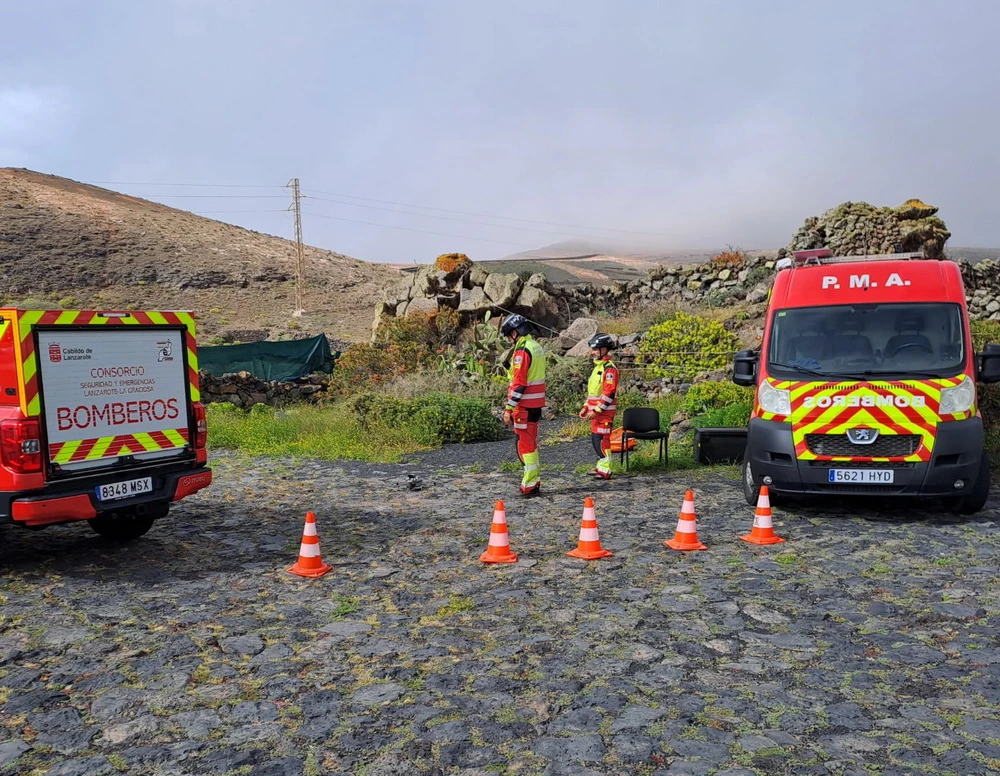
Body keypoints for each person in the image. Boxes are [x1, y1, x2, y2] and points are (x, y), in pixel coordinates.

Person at [500, 313, 547, 496]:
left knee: (524, 445)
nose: (508, 340)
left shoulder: (522, 352)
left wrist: (508, 408)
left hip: (524, 406)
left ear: (515, 332)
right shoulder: (536, 347)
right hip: (535, 405)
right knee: (530, 443)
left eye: (508, 335)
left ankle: (529, 483)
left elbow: (519, 383)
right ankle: (533, 480)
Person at [579, 333, 619, 480]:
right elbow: (593, 392)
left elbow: (609, 393)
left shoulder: (609, 369)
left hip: (604, 413)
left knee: (602, 440)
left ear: (604, 350)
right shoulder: (598, 368)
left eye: (595, 349)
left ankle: (606, 470)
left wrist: (597, 410)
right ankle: (601, 467)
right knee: (597, 440)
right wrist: (585, 407)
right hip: (596, 413)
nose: (592, 352)